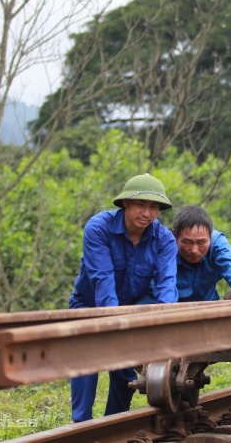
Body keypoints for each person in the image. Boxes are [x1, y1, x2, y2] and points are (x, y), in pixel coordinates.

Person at [68, 173, 178, 422]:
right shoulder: (99, 228)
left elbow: (166, 285)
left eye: (153, 207)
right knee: (86, 362)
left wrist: (165, 323)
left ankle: (114, 424)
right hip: (89, 304)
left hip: (131, 308)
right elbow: (102, 279)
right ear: (125, 203)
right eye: (141, 205)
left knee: (124, 370)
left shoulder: (164, 239)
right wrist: (116, 324)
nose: (147, 213)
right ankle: (80, 425)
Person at [172, 205, 231, 301]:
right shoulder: (165, 247)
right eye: (187, 242)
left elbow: (230, 264)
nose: (194, 250)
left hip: (209, 304)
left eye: (201, 243)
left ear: (210, 236)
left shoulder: (217, 242)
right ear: (174, 236)